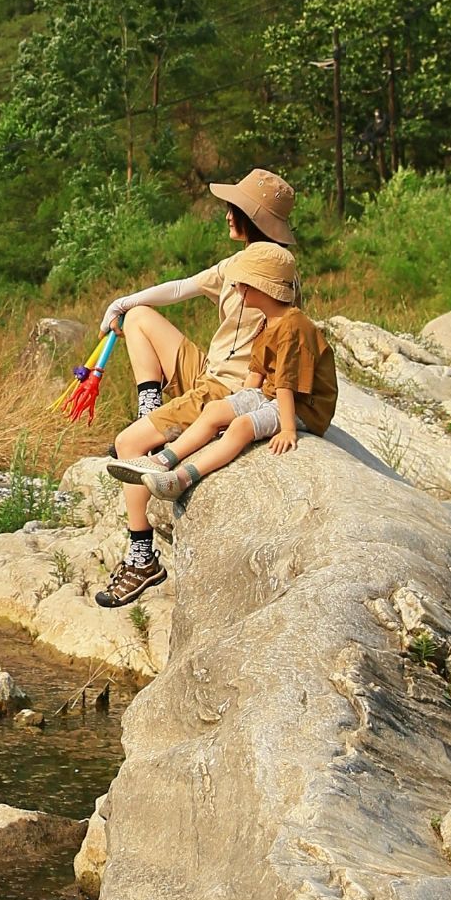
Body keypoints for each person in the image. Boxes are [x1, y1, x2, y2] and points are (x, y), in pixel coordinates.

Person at [90, 167, 298, 610]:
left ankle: (142, 558)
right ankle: (153, 408)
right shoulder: (252, 260)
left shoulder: (260, 268)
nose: (225, 216)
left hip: (225, 390)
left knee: (128, 444)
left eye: (232, 209)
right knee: (141, 316)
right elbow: (185, 286)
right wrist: (125, 302)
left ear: (250, 216)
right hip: (210, 371)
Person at [106, 257, 337, 505]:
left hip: (304, 406)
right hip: (272, 393)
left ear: (259, 288)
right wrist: (235, 406)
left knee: (242, 427)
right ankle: (161, 460)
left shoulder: (292, 327)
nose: (234, 288)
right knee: (215, 410)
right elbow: (256, 374)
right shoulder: (267, 321)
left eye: (239, 284)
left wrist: (289, 429)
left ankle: (182, 478)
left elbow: (285, 384)